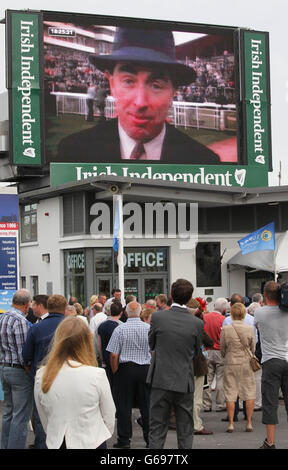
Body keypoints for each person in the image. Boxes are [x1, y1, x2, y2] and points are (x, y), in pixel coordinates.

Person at [57, 28, 220, 165]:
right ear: (111, 84)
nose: (140, 102)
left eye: (156, 85)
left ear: (173, 91)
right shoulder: (73, 152)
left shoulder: (204, 162)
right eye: (128, 81)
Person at [34, 316, 115, 449]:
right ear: (86, 342)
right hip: (92, 441)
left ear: (57, 341)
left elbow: (43, 416)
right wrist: (99, 435)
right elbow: (109, 414)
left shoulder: (42, 375)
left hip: (58, 441)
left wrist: (54, 433)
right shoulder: (96, 375)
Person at [147, 279, 204, 449]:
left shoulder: (158, 317)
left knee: (157, 426)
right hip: (183, 380)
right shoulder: (197, 323)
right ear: (190, 297)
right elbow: (196, 350)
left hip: (160, 378)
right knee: (185, 427)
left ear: (171, 294)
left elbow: (152, 344)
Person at [22, 294, 68, 448]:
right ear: (64, 308)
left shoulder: (36, 328)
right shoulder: (71, 326)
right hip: (68, 376)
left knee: (41, 417)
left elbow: (26, 356)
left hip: (42, 377)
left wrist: (33, 373)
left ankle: (43, 445)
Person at [106, 301, 151, 449]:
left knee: (123, 406)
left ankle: (124, 439)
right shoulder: (148, 328)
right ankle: (150, 439)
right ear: (140, 312)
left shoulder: (120, 329)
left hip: (125, 369)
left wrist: (115, 371)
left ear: (125, 313)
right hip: (144, 369)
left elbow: (113, 355)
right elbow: (153, 351)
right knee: (146, 405)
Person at [254, 281, 288, 449]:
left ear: (265, 295)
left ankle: (270, 442)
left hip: (271, 361)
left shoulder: (260, 312)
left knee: (270, 403)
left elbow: (256, 325)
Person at [0, 289, 34, 449]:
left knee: (8, 412)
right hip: (19, 371)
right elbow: (24, 353)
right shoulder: (20, 321)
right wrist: (30, 372)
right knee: (20, 416)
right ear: (27, 304)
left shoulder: (3, 317)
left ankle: (5, 445)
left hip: (4, 367)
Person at [220, 302, 256, 433]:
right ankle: (249, 422)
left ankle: (230, 423)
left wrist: (226, 355)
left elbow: (222, 348)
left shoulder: (226, 329)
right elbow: (253, 348)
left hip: (231, 362)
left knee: (230, 392)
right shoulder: (249, 328)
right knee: (249, 392)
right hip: (246, 362)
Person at [186, 302, 214, 436]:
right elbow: (209, 342)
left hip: (181, 363)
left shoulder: (179, 323)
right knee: (196, 397)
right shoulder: (197, 325)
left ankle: (186, 422)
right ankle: (196, 424)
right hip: (196, 364)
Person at [202, 297, 228, 412]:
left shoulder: (204, 318)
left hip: (207, 350)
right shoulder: (223, 319)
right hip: (219, 350)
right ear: (224, 309)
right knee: (221, 378)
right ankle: (220, 404)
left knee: (207, 379)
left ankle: (207, 404)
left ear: (214, 306)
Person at [97, 300, 123, 390]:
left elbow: (99, 345)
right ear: (121, 313)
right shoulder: (121, 326)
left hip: (106, 359)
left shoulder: (101, 325)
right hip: (118, 362)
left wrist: (101, 359)